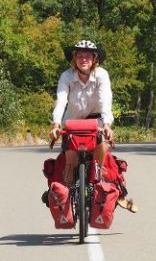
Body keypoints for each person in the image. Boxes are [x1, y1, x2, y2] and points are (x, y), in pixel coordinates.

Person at [49, 39, 137, 213]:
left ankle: (100, 183)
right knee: (70, 160)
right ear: (74, 59)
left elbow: (106, 99)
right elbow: (61, 101)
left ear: (94, 59)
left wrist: (107, 124)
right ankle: (66, 197)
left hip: (95, 122)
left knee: (102, 147)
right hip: (72, 122)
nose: (84, 59)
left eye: (88, 55)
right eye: (79, 55)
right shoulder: (66, 76)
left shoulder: (102, 75)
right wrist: (56, 124)